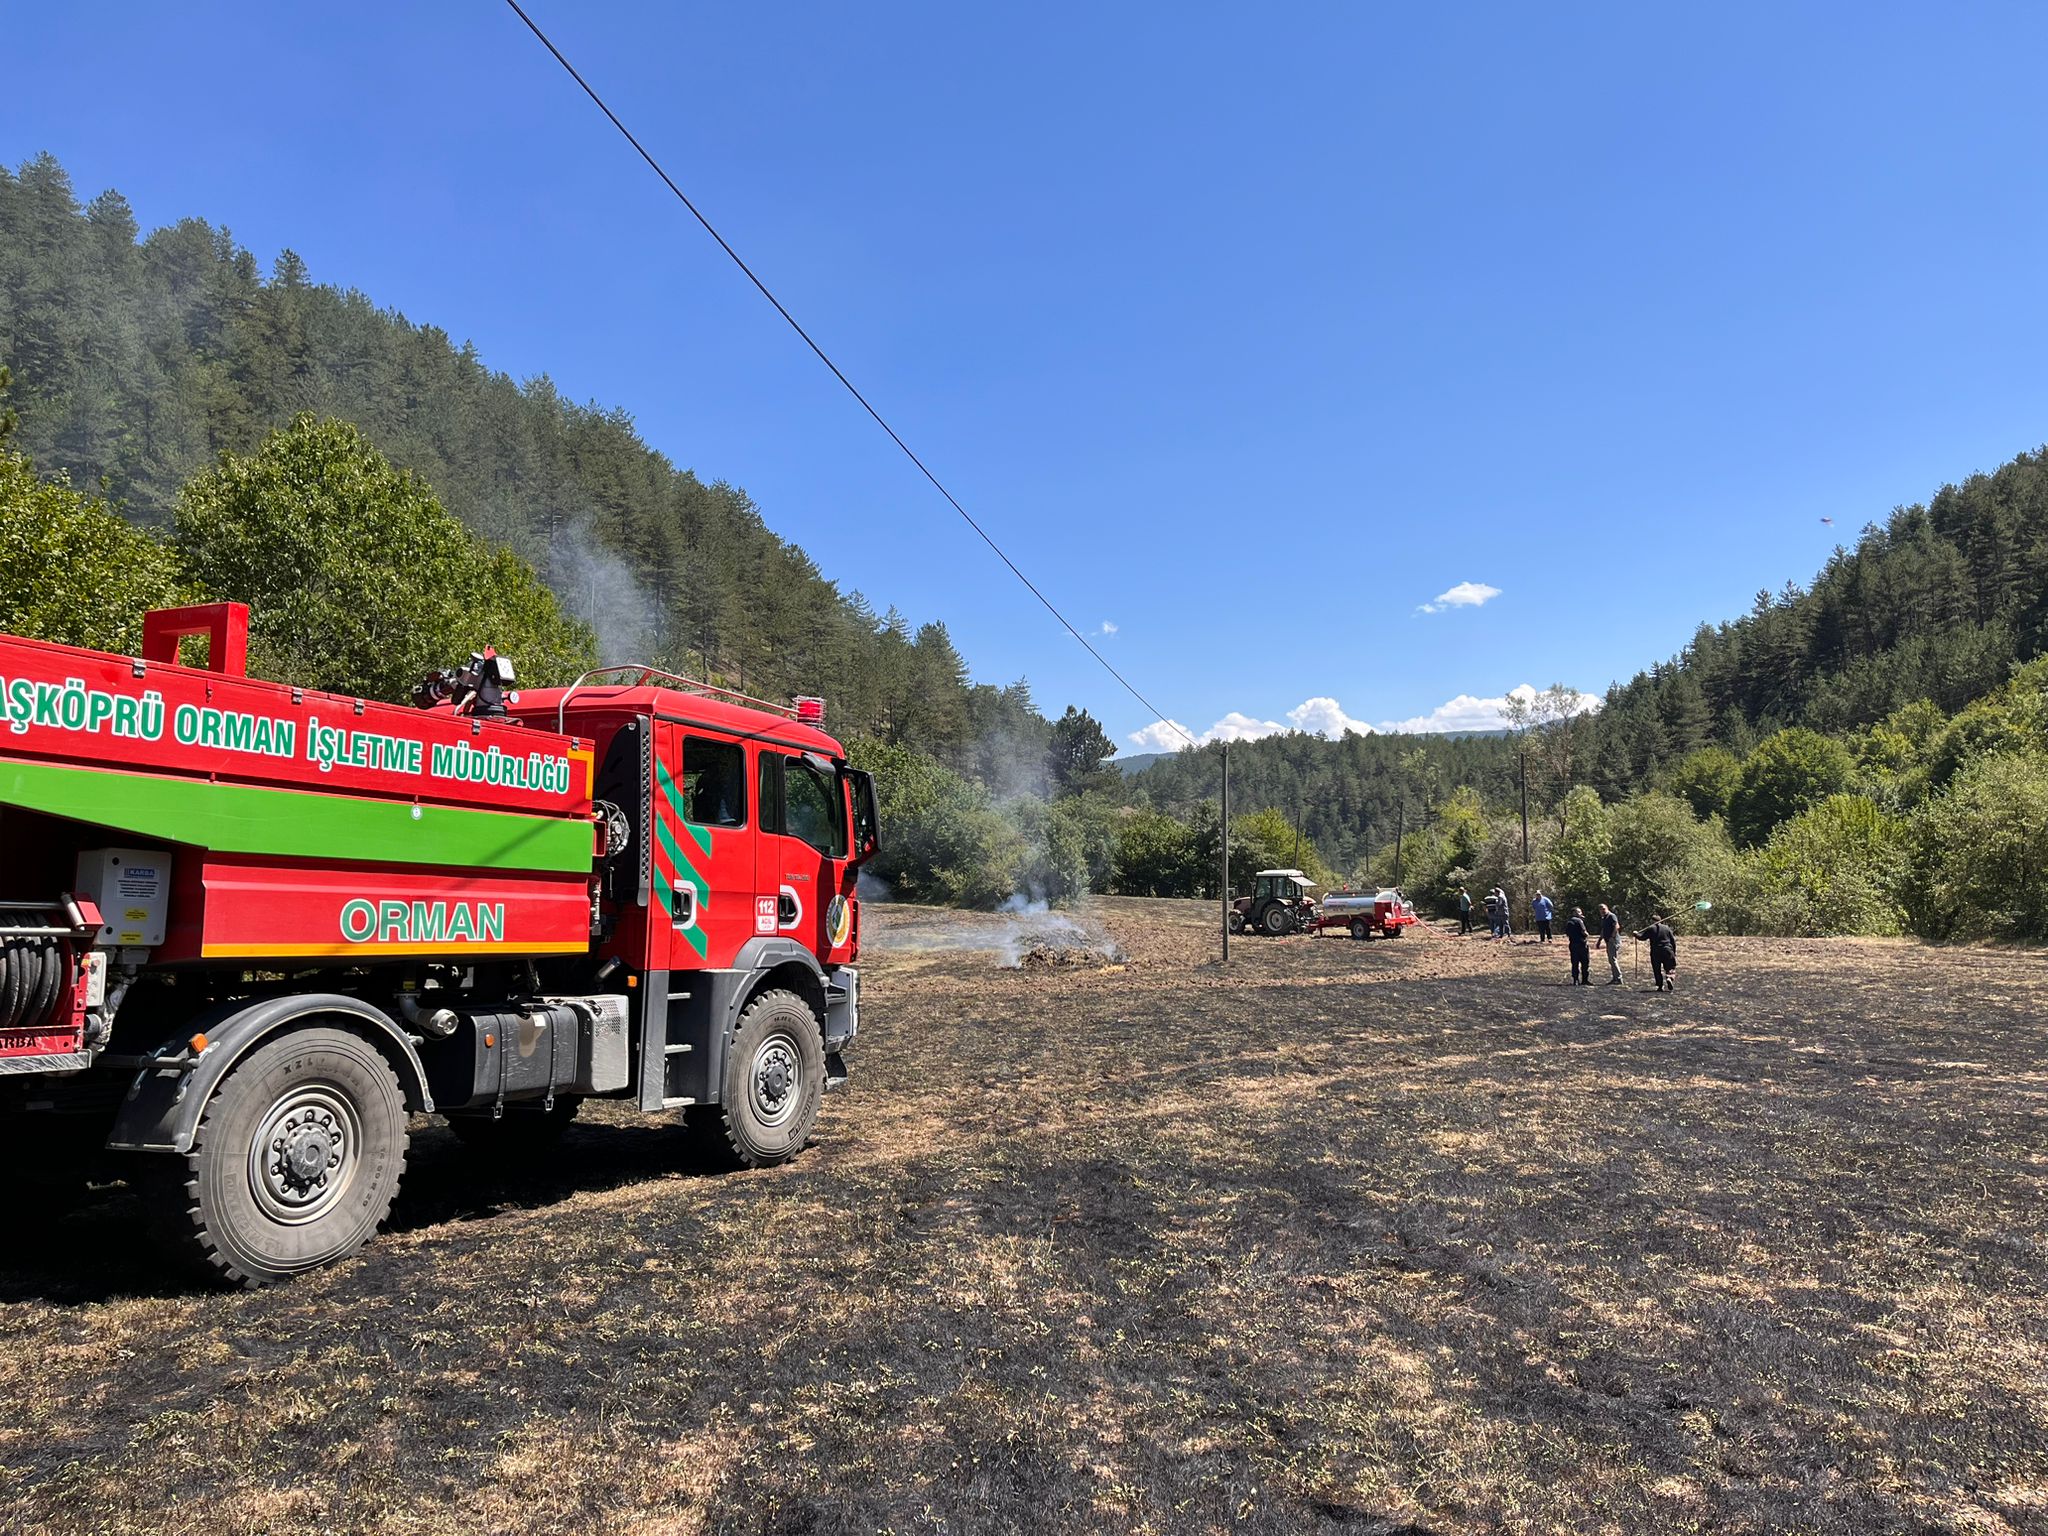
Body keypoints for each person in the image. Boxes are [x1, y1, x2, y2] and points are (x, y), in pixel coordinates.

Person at [1634, 914, 1679, 991]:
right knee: (1670, 967)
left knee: (1656, 969)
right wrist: (1674, 952)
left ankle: (1660, 985)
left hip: (1656, 951)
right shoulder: (1667, 928)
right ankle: (1669, 977)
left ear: (1652, 921)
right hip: (1667, 950)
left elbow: (1642, 937)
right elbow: (1673, 941)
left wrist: (1635, 934)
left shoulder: (1651, 928)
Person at [1597, 904, 1623, 984]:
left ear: (1607, 908)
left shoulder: (1612, 916)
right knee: (1611, 960)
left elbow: (1616, 926)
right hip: (1608, 941)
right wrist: (1599, 940)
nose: (1602, 910)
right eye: (1601, 909)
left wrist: (1612, 937)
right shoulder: (1604, 918)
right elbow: (1603, 930)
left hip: (1613, 941)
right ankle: (1615, 978)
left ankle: (1618, 978)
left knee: (1613, 959)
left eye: (1604, 909)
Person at [1564, 906, 1591, 984]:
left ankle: (1575, 980)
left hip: (1573, 944)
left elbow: (1567, 933)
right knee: (1585, 962)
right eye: (1579, 912)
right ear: (1574, 913)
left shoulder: (1569, 922)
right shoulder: (1579, 921)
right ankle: (1585, 980)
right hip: (1582, 944)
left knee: (1575, 963)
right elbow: (1584, 932)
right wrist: (1587, 935)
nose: (1581, 913)